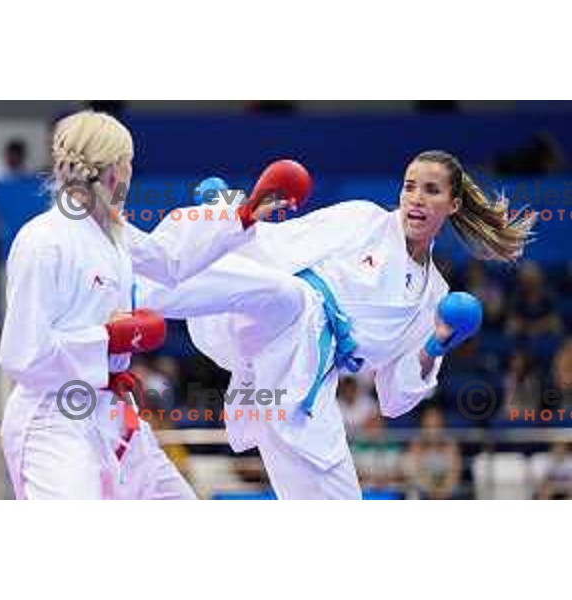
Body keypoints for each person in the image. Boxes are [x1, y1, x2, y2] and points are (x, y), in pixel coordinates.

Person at [130, 150, 534, 499]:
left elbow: (395, 398)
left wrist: (436, 346)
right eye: (410, 186)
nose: (416, 198)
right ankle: (128, 286)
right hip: (253, 322)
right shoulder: (363, 219)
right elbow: (280, 244)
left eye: (431, 190)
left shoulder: (434, 299)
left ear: (453, 204)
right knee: (290, 295)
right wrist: (238, 220)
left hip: (297, 384)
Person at [0, 110, 271, 500]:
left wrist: (238, 216)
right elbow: (21, 354)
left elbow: (168, 258)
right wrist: (107, 339)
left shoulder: (114, 234)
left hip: (111, 414)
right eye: (127, 165)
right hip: (53, 422)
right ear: (113, 172)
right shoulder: (43, 241)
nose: (129, 175)